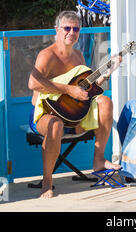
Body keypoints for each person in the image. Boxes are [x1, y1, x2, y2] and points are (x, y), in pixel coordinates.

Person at [28, 10, 122, 198]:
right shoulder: (47, 55)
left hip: (73, 115)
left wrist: (108, 72)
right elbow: (33, 83)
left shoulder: (78, 56)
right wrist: (69, 90)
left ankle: (98, 159)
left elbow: (87, 89)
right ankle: (47, 182)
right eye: (67, 28)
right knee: (55, 124)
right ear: (57, 30)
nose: (71, 32)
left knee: (105, 102)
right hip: (45, 114)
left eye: (76, 29)